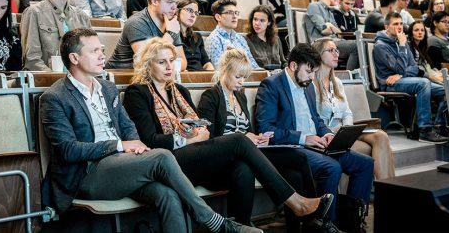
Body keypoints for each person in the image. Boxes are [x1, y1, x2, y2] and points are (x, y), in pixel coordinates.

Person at [40, 29, 262, 233]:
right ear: (74, 58)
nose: (102, 55)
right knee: (162, 156)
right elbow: (67, 150)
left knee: (168, 194)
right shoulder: (55, 97)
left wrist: (133, 149)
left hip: (122, 166)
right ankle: (213, 222)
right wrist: (119, 146)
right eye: (94, 50)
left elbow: (128, 128)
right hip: (86, 176)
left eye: (102, 49)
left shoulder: (106, 88)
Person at [124, 38, 328, 226]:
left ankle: (243, 227)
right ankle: (296, 202)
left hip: (196, 156)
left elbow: (203, 129)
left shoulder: (179, 90)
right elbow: (149, 141)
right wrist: (185, 139)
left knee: (244, 168)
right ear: (148, 64)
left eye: (171, 60)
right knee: (239, 140)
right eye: (161, 62)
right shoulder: (138, 93)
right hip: (168, 160)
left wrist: (197, 135)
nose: (169, 67)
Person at [198, 47, 333, 232]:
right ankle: (311, 218)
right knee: (245, 169)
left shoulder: (239, 96)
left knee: (297, 160)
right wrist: (245, 138)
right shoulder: (211, 97)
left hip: (247, 152)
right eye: (238, 76)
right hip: (226, 157)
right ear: (224, 71)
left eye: (244, 77)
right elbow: (208, 139)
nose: (241, 82)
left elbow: (248, 131)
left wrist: (257, 137)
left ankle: (308, 219)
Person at [255, 43, 374, 231]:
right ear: (294, 66)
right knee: (332, 167)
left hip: (315, 145)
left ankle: (352, 220)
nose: (312, 77)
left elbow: (316, 119)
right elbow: (266, 128)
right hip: (293, 148)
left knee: (364, 163)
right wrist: (304, 138)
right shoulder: (271, 86)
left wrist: (326, 134)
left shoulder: (308, 86)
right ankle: (325, 223)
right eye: (309, 72)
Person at [313, 38, 395, 180]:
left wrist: (346, 130)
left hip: (344, 131)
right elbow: (314, 118)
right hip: (327, 135)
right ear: (319, 55)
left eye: (336, 50)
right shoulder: (311, 84)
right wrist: (333, 132)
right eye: (331, 50)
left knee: (381, 136)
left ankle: (390, 188)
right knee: (381, 140)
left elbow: (347, 113)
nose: (336, 54)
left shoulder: (337, 82)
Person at [373, 12, 449, 143]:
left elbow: (415, 67)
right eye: (395, 24)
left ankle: (439, 126)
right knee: (423, 83)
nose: (400, 27)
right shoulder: (380, 46)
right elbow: (400, 68)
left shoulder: (402, 41)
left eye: (401, 23)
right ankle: (425, 130)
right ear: (386, 27)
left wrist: (401, 74)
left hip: (401, 79)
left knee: (445, 89)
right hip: (389, 84)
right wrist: (402, 47)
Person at [21, 0, 90, 71]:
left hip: (79, 80)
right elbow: (32, 60)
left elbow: (89, 55)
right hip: (49, 82)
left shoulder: (81, 16)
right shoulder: (34, 13)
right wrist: (58, 79)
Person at [106, 0, 187, 69]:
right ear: (154, 1)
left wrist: (167, 66)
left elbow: (183, 62)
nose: (174, 8)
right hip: (121, 78)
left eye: (176, 3)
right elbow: (147, 62)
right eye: (169, 2)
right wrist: (170, 34)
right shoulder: (136, 22)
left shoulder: (171, 23)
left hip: (151, 78)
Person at [305, 0, 359, 70]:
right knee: (355, 46)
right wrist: (331, 28)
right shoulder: (314, 6)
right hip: (321, 43)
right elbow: (323, 30)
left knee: (361, 44)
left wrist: (330, 25)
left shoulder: (329, 11)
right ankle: (349, 76)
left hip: (334, 41)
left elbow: (339, 33)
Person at [205, 0, 259, 69]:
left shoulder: (240, 38)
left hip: (248, 77)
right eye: (230, 13)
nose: (235, 16)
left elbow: (253, 64)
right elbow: (221, 70)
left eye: (236, 13)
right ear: (218, 17)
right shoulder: (213, 39)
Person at [177, 0, 214, 71]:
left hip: (200, 76)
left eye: (196, 13)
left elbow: (206, 63)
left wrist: (211, 74)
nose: (193, 15)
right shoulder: (172, 35)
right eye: (190, 11)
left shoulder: (197, 37)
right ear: (177, 11)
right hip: (184, 77)